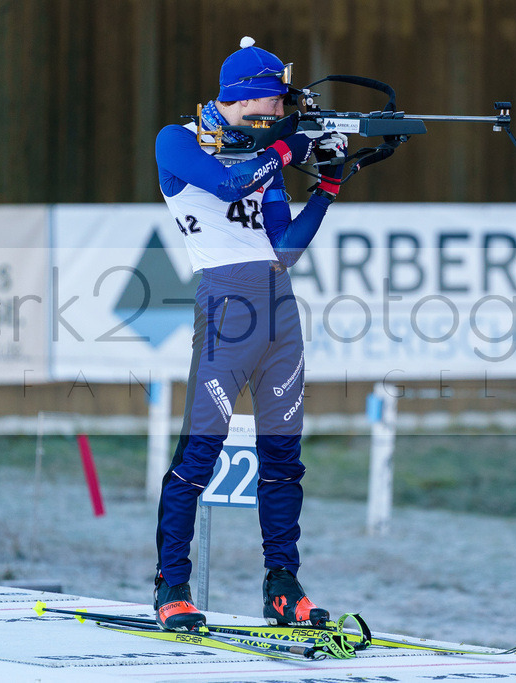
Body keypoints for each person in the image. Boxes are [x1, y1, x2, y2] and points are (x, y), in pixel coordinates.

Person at [151, 36, 345, 632]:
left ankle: (283, 585)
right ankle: (171, 586)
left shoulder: (265, 153)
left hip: (278, 309)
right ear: (241, 100)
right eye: (269, 108)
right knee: (199, 455)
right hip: (226, 309)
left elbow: (285, 249)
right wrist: (289, 149)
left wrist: (331, 183)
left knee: (284, 458)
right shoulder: (177, 140)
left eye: (282, 110)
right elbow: (229, 185)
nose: (278, 117)